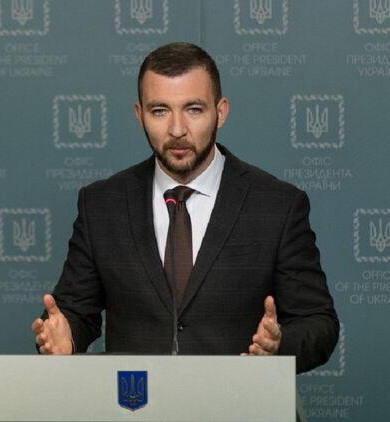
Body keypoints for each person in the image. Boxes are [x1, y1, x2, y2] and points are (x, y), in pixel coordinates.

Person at [32, 42, 338, 373]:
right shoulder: (102, 205)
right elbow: (75, 312)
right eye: (159, 111)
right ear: (139, 115)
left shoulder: (277, 205)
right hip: (138, 399)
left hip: (238, 399)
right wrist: (65, 338)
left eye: (193, 109)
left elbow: (318, 322)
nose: (177, 130)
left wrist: (278, 347)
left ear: (221, 111)